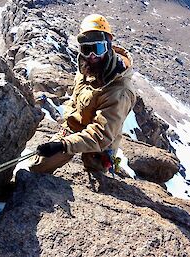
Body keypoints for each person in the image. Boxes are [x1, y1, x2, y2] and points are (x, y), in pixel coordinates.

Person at [28, 14, 136, 174]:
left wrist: (64, 145)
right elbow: (77, 98)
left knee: (96, 170)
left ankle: (100, 162)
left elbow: (101, 135)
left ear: (108, 45)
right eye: (87, 49)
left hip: (101, 139)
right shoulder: (87, 68)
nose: (92, 55)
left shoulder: (119, 90)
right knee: (38, 166)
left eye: (98, 48)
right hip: (75, 126)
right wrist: (66, 129)